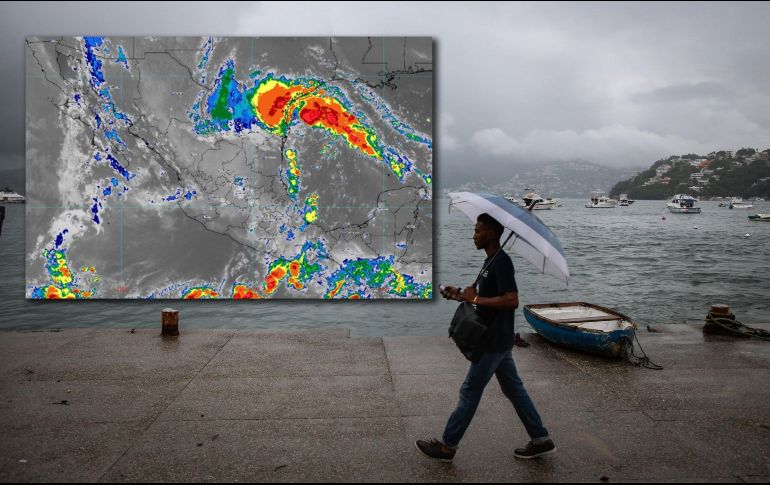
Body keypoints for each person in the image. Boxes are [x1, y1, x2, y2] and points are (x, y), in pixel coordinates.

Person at [415, 213, 555, 462]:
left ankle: (447, 446)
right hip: (499, 340)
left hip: (492, 342)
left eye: (478, 231)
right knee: (514, 390)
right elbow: (483, 300)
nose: (474, 235)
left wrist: (476, 298)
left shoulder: (502, 262)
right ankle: (541, 439)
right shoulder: (491, 261)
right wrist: (459, 294)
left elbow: (512, 300)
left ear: (490, 233)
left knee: (469, 391)